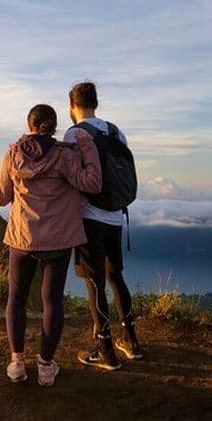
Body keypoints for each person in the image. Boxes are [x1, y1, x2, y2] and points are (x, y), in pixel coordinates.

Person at [0, 104, 102, 387]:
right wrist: (88, 146)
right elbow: (92, 183)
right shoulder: (65, 156)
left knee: (17, 299)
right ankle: (46, 367)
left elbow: (0, 197)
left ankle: (17, 364)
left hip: (22, 240)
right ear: (55, 126)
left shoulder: (14, 155)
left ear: (29, 124)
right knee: (51, 302)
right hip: (58, 242)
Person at [63, 81, 143, 371]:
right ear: (96, 103)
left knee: (94, 283)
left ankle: (106, 349)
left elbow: (72, 175)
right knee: (115, 276)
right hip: (115, 215)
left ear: (72, 106)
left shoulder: (74, 133)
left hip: (90, 217)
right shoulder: (116, 131)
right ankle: (131, 341)